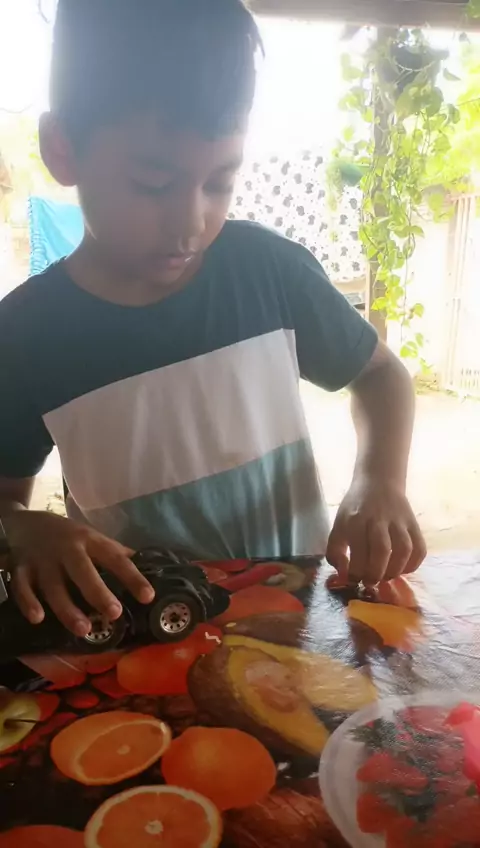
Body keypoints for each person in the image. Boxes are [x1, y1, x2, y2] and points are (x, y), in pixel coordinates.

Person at [0, 0, 426, 639]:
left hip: (295, 623)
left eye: (220, 182)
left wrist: (380, 479)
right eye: (152, 183)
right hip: (145, 633)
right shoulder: (25, 336)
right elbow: (5, 502)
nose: (191, 222)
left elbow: (380, 375)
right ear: (63, 148)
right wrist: (24, 528)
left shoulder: (269, 271)